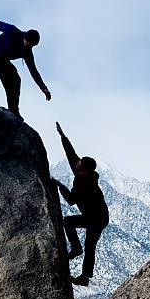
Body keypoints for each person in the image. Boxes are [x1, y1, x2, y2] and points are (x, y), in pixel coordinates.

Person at [51, 122, 109, 287]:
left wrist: (60, 185)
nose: (76, 163)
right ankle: (82, 268)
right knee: (88, 242)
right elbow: (71, 154)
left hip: (97, 218)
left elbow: (70, 200)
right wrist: (63, 137)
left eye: (79, 163)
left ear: (84, 169)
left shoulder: (85, 185)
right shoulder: (82, 172)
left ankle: (78, 255)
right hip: (96, 216)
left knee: (84, 238)